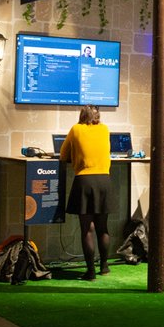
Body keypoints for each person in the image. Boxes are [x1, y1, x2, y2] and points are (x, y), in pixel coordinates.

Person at [59, 105, 112, 280]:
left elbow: (63, 154)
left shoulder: (76, 129)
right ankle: (104, 267)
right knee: (103, 227)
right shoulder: (104, 129)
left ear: (82, 115)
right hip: (104, 181)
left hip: (85, 181)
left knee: (87, 229)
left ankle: (90, 272)